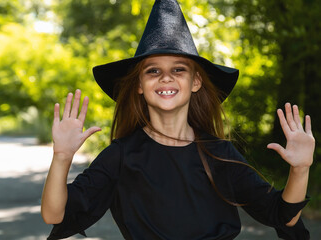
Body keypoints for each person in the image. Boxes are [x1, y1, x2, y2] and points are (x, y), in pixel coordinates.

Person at [41, 0, 315, 239]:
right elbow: (55, 215)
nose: (166, 77)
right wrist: (62, 157)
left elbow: (283, 215)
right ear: (139, 84)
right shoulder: (121, 156)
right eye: (153, 71)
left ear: (195, 81)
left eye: (179, 69)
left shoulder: (219, 154)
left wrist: (300, 168)